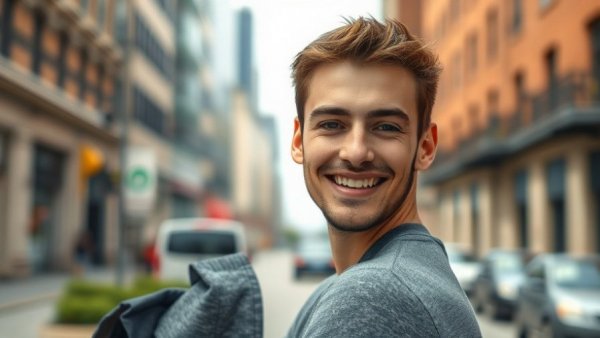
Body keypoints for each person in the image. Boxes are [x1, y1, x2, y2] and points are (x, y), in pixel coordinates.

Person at [286, 17, 482, 337]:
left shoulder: (370, 300)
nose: (356, 152)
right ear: (298, 141)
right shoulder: (400, 275)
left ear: (425, 146)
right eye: (332, 124)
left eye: (386, 127)